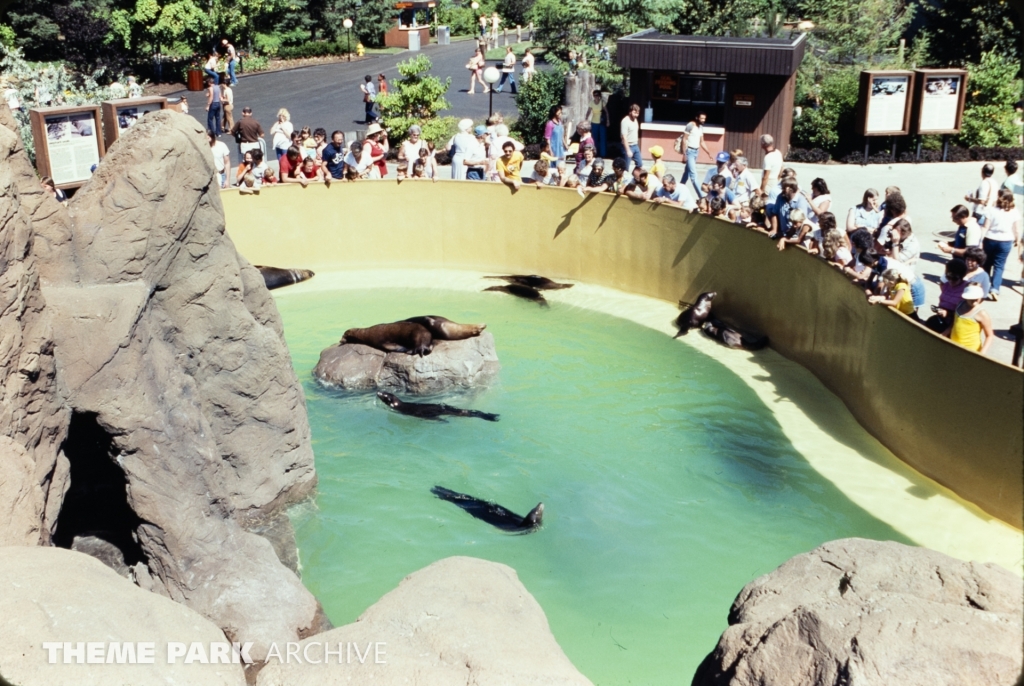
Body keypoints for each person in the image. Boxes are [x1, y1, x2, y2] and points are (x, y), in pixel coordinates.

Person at [981, 188, 1021, 301]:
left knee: (987, 264)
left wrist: (980, 240)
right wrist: (1017, 240)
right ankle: (995, 289)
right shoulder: (1014, 211)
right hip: (1006, 240)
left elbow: (985, 227)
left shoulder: (992, 210)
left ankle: (984, 287)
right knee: (999, 265)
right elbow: (1017, 229)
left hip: (990, 239)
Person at [944, 284, 993, 355]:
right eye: (972, 298)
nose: (975, 300)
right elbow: (955, 322)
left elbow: (989, 336)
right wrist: (944, 333)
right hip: (953, 346)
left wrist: (982, 353)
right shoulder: (959, 305)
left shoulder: (982, 314)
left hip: (970, 351)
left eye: (977, 297)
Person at [924, 258, 968, 333]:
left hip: (955, 324)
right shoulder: (946, 285)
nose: (950, 280)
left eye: (954, 278)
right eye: (948, 277)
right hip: (941, 320)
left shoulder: (966, 289)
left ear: (962, 276)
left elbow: (966, 312)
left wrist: (948, 314)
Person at [678, 112, 710, 198]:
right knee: (693, 175)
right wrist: (684, 154)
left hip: (696, 151)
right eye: (701, 118)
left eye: (704, 119)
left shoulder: (701, 128)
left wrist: (708, 152)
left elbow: (702, 141)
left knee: (687, 173)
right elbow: (684, 140)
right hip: (689, 151)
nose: (703, 120)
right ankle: (701, 196)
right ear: (697, 117)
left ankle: (679, 189)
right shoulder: (690, 125)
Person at [586, 90, 608, 158]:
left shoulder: (602, 102)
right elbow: (588, 111)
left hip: (601, 122)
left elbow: (606, 112)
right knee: (594, 138)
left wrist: (608, 121)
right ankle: (595, 153)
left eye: (597, 95)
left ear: (599, 96)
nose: (596, 96)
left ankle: (603, 154)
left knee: (602, 138)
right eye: (594, 95)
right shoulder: (591, 103)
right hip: (594, 122)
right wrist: (586, 119)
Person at [620, 104, 641, 171]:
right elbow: (624, 137)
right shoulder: (625, 121)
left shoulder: (635, 120)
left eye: (637, 113)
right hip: (628, 146)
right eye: (635, 112)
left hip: (635, 145)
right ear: (630, 112)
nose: (636, 115)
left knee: (640, 164)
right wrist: (628, 150)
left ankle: (634, 175)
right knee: (626, 167)